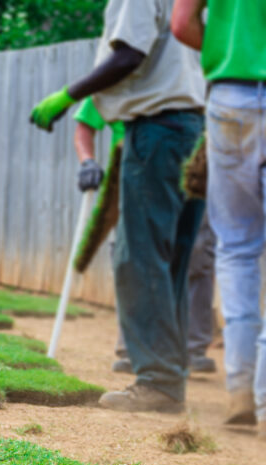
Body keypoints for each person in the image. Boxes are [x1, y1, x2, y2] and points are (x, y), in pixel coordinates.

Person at [31, 0, 205, 414]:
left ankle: (158, 382)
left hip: (156, 129)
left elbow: (130, 54)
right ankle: (169, 377)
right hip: (193, 129)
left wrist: (68, 93)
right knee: (172, 259)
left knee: (139, 257)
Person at [173, 0, 266, 439]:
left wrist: (228, 52)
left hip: (228, 97)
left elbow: (182, 24)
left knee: (236, 248)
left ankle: (241, 392)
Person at [73, 97, 218, 376]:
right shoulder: (121, 76)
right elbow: (84, 123)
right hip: (136, 171)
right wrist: (87, 161)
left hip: (192, 168)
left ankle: (191, 348)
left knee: (196, 257)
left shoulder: (190, 71)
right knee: (134, 261)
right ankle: (132, 348)